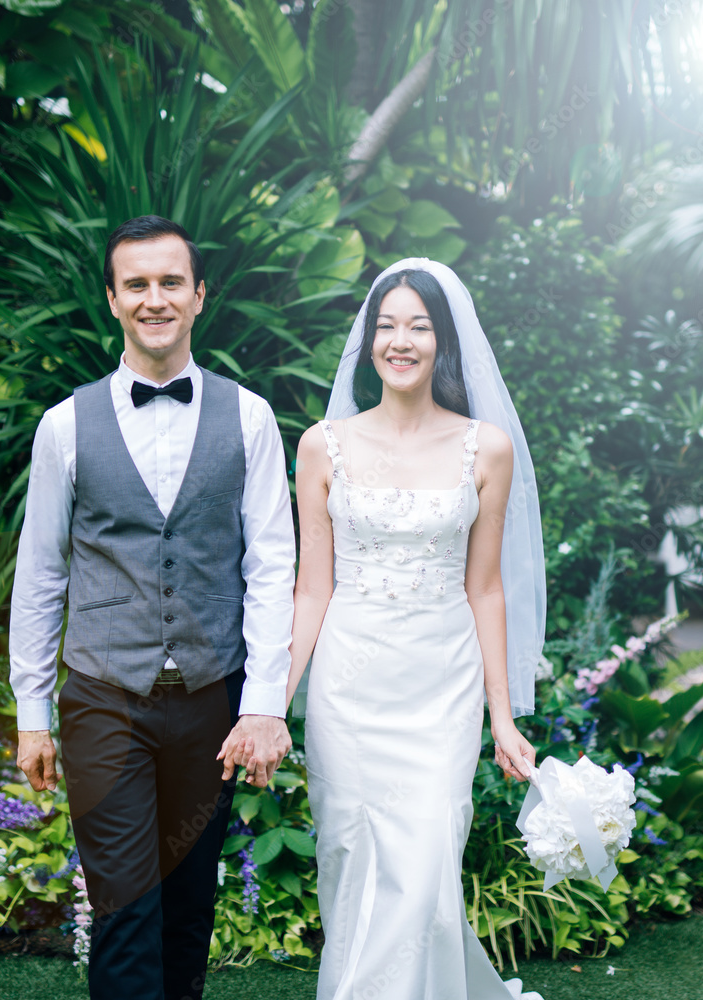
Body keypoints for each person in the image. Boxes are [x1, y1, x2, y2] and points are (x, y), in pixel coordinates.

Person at [9, 215, 295, 1000]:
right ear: (112, 299)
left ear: (199, 296)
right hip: (104, 697)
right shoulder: (65, 426)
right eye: (136, 284)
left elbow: (273, 567)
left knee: (187, 910)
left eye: (171, 282)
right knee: (126, 909)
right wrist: (33, 711)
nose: (154, 298)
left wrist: (265, 704)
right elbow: (40, 574)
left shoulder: (251, 418)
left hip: (213, 701)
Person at [285, 260, 547, 999]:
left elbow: (486, 588)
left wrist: (504, 716)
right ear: (368, 340)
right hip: (348, 687)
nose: (401, 342)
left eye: (419, 327)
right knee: (350, 859)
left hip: (443, 684)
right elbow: (312, 588)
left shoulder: (483, 447)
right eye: (387, 326)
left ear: (443, 342)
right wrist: (270, 703)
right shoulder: (321, 445)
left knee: (428, 869)